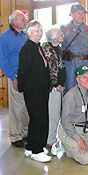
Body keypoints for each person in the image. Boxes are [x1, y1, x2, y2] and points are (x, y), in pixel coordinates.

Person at [17, 20, 51, 162]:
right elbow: (23, 71)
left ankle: (32, 146)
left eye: (41, 30)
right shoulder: (27, 48)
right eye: (37, 31)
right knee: (38, 118)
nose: (40, 33)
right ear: (29, 33)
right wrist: (23, 87)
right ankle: (37, 151)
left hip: (42, 89)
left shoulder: (38, 46)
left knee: (40, 118)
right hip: (33, 89)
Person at [59, 65, 88, 165]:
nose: (87, 80)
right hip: (70, 131)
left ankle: (78, 146)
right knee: (85, 160)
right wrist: (78, 139)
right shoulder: (71, 95)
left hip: (85, 131)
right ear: (77, 80)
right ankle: (68, 146)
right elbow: (65, 121)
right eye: (84, 77)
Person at [0, 10, 29, 148]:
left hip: (28, 76)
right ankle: (15, 136)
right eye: (22, 19)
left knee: (26, 107)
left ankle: (25, 134)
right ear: (13, 22)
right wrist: (13, 78)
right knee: (17, 108)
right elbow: (3, 61)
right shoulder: (5, 38)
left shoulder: (25, 36)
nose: (25, 21)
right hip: (16, 77)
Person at [61, 3, 88, 94]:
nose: (81, 15)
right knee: (71, 94)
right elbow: (61, 51)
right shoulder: (64, 29)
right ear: (71, 14)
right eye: (78, 13)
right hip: (71, 67)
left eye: (83, 13)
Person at [42, 26, 66, 149]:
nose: (63, 35)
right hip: (53, 88)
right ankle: (49, 141)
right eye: (60, 34)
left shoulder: (58, 48)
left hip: (59, 87)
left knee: (57, 113)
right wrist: (57, 84)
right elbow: (50, 70)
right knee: (53, 115)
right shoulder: (47, 48)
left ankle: (53, 138)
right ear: (53, 37)